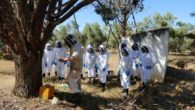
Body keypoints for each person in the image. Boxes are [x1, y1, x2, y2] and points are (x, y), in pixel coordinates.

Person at [58, 34, 84, 105]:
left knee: (70, 79)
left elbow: (73, 57)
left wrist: (64, 60)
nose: (67, 44)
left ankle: (76, 96)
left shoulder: (76, 47)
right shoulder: (76, 46)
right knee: (77, 81)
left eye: (67, 42)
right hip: (76, 66)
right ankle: (78, 95)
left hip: (76, 67)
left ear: (70, 41)